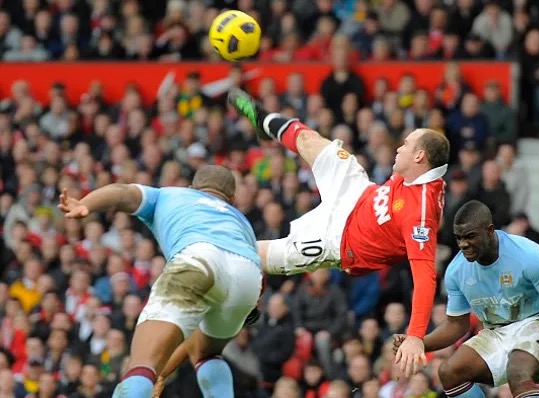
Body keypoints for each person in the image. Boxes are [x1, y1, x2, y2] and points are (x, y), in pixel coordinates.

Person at [228, 88, 450, 377]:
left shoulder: (420, 212)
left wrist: (416, 334)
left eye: (406, 144)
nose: (399, 147)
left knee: (253, 253)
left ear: (420, 156)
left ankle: (248, 298)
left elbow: (424, 276)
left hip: (337, 242)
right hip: (357, 192)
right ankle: (264, 120)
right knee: (310, 140)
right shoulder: (418, 176)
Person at [57, 165, 263, 398]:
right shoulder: (241, 221)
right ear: (233, 199)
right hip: (247, 275)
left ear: (191, 188)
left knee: (142, 365)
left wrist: (86, 203)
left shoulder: (170, 194)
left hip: (198, 259)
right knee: (207, 354)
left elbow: (123, 192)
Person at [392, 200, 539, 398]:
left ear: (490, 231)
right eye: (459, 238)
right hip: (497, 333)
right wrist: (419, 342)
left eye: (470, 236)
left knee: (517, 371)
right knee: (449, 372)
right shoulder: (456, 271)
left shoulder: (528, 255)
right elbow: (456, 325)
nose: (463, 244)